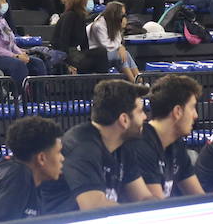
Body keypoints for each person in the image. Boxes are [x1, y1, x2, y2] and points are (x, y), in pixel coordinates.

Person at [40, 79, 152, 212]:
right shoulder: (82, 146)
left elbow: (143, 197)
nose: (145, 117)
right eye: (140, 112)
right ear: (124, 120)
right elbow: (94, 207)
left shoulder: (122, 145)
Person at [125, 74, 204, 198]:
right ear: (178, 111)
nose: (195, 115)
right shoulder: (141, 146)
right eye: (192, 107)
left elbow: (200, 198)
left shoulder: (176, 143)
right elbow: (156, 209)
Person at [52, 0, 106, 75]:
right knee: (100, 55)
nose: (91, 2)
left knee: (100, 53)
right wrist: (68, 64)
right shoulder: (70, 16)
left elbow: (85, 44)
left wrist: (88, 55)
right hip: (67, 55)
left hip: (76, 53)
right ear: (81, 1)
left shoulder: (81, 17)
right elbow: (63, 42)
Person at [89, 0, 138, 82]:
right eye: (122, 14)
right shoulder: (99, 25)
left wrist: (120, 29)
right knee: (120, 55)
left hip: (106, 53)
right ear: (116, 14)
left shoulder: (113, 23)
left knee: (125, 54)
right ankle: (135, 83)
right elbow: (106, 44)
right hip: (93, 55)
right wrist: (119, 47)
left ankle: (140, 80)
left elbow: (117, 41)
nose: (124, 17)